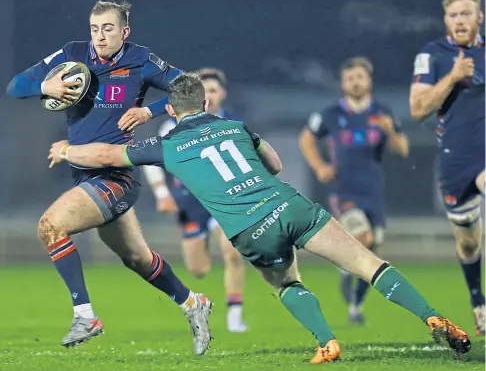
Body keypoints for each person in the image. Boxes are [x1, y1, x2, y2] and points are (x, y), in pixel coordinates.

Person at [48, 72, 471, 364]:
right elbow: (275, 163)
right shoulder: (236, 126)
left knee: (287, 283)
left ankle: (327, 342)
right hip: (289, 206)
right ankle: (432, 316)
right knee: (369, 265)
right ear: (207, 102)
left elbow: (105, 155)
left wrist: (66, 150)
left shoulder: (167, 144)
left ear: (172, 112)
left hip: (251, 231)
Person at [6, 1, 212, 354]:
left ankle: (85, 315)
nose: (100, 37)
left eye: (108, 29)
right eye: (95, 29)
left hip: (117, 175)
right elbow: (15, 85)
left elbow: (192, 91)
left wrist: (150, 110)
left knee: (50, 226)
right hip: (84, 175)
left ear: (124, 31)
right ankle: (193, 303)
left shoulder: (141, 59)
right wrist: (46, 87)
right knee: (138, 259)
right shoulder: (72, 54)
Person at [299, 57, 409, 324]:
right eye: (350, 78)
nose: (355, 82)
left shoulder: (382, 113)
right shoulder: (330, 114)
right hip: (343, 190)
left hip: (372, 191)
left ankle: (355, 307)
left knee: (371, 251)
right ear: (343, 83)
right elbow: (306, 139)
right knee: (364, 237)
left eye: (360, 77)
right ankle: (349, 273)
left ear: (369, 80)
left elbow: (403, 149)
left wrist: (391, 133)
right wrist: (319, 167)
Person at [143, 68, 247, 332]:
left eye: (213, 90)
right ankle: (203, 244)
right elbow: (152, 159)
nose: (209, 96)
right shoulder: (174, 124)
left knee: (232, 251)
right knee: (198, 269)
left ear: (222, 94)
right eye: (204, 91)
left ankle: (235, 316)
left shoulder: (233, 123)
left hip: (225, 199)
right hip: (190, 202)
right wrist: (162, 193)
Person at [409, 0, 485, 335]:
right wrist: (453, 77)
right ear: (446, 20)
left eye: (466, 13)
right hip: (455, 162)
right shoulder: (432, 55)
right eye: (453, 15)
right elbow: (418, 109)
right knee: (468, 241)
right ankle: (478, 300)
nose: (460, 20)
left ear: (479, 17)